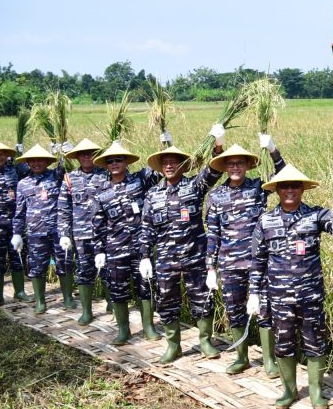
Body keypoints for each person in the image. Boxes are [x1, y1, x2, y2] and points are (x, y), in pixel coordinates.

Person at [248, 164, 333, 409]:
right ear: (278, 190)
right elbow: (258, 260)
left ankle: (316, 391)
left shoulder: (315, 215)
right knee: (284, 343)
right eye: (285, 186)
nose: (290, 190)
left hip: (310, 295)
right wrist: (254, 292)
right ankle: (289, 391)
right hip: (279, 297)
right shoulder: (266, 221)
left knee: (315, 342)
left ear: (303, 189)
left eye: (295, 185)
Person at [138, 127, 225, 365]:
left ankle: (205, 341)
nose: (169, 166)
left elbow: (214, 171)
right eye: (165, 162)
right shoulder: (153, 194)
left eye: (174, 162)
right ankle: (173, 345)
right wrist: (145, 256)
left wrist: (218, 143)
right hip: (165, 259)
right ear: (160, 167)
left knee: (203, 299)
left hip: (195, 256)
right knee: (166, 301)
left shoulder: (193, 187)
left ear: (181, 166)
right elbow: (146, 227)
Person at [206, 136, 285, 376]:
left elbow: (284, 175)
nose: (235, 167)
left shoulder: (257, 188)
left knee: (264, 310)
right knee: (234, 310)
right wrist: (211, 267)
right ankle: (241, 357)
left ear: (247, 166)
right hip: (229, 264)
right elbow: (213, 233)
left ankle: (269, 360)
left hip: (258, 263)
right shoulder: (217, 195)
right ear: (225, 167)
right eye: (230, 164)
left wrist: (273, 150)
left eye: (240, 163)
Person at [92, 140, 163, 345]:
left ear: (126, 162)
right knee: (118, 289)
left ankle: (149, 327)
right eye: (110, 161)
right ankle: (123, 330)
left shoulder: (140, 180)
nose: (114, 163)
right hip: (115, 249)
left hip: (142, 248)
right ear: (106, 164)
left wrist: (164, 140)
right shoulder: (101, 192)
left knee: (145, 286)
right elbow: (97, 223)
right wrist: (99, 250)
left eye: (119, 159)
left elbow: (164, 166)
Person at [11, 143, 74, 313]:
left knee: (64, 263)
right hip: (35, 233)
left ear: (47, 162)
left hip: (58, 231)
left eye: (41, 160)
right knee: (37, 267)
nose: (37, 163)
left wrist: (63, 153)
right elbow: (19, 211)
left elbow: (67, 169)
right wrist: (17, 233)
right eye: (33, 161)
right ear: (28, 163)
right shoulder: (23, 184)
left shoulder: (55, 177)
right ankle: (40, 300)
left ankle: (68, 297)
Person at [58, 138, 109, 324]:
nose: (87, 157)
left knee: (108, 270)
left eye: (91, 153)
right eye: (83, 154)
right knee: (84, 271)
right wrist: (64, 233)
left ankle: (112, 303)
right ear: (78, 157)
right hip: (81, 235)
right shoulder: (69, 179)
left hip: (104, 233)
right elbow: (63, 209)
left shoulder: (106, 175)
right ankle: (87, 311)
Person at [0, 139, 32, 308]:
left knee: (17, 256)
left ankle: (19, 291)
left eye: (1, 154)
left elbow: (36, 168)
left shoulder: (15, 170)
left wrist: (21, 154)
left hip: (15, 224)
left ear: (7, 156)